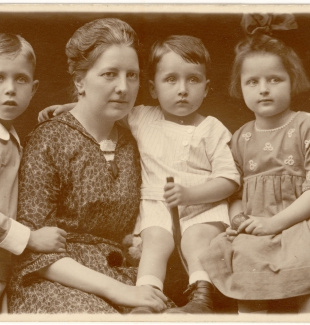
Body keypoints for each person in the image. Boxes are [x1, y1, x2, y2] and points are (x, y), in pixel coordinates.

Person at [38, 35, 241, 314]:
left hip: (202, 203)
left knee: (197, 240)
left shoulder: (212, 128)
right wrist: (69, 108)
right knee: (154, 243)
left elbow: (229, 178)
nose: (182, 90)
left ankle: (201, 300)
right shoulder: (142, 116)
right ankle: (146, 297)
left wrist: (191, 194)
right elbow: (100, 107)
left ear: (206, 89)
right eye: (171, 79)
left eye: (193, 80)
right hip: (156, 203)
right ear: (153, 88)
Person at [7, 18, 168, 314]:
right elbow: (34, 250)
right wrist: (119, 291)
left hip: (123, 278)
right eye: (109, 74)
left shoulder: (136, 140)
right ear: (80, 81)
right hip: (55, 283)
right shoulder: (49, 138)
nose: (123, 87)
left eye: (132, 75)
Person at [199, 32, 310, 314]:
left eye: (275, 79)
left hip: (300, 223)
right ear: (240, 87)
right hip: (257, 230)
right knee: (241, 256)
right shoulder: (240, 138)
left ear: (292, 80)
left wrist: (275, 223)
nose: (264, 89)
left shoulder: (304, 126)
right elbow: (234, 190)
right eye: (253, 81)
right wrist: (239, 218)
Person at [0, 33, 67, 314]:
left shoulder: (6, 135)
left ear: (33, 90)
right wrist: (30, 239)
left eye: (20, 79)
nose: (10, 89)